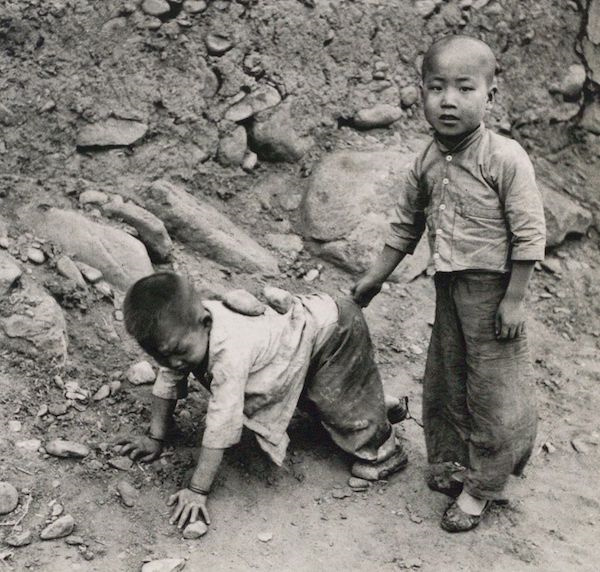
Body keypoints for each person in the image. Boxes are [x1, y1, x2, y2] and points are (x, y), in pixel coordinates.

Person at [352, 35, 545, 532]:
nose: (448, 100)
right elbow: (406, 228)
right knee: (447, 382)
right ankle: (455, 464)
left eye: (464, 88)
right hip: (449, 292)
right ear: (421, 93)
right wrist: (373, 278)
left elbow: (529, 234)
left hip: (495, 294)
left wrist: (514, 300)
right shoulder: (427, 161)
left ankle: (482, 489)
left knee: (494, 393)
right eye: (436, 88)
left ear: (489, 95)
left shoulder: (504, 157)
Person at [115, 272, 408, 530]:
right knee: (323, 397)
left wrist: (197, 489)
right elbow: (168, 379)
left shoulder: (228, 353)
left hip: (334, 331)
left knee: (333, 397)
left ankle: (384, 450)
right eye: (160, 356)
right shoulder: (182, 334)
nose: (173, 362)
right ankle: (368, 403)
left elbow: (221, 424)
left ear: (205, 322)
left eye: (178, 352)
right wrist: (155, 437)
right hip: (295, 341)